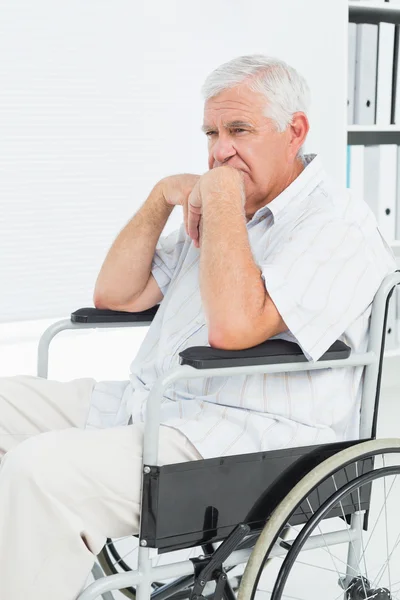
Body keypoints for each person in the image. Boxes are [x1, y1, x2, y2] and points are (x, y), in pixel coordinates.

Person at [0, 54, 396, 599]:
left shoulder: (338, 224)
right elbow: (116, 294)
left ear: (294, 131)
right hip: (150, 407)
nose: (218, 151)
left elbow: (235, 327)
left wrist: (222, 201)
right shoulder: (226, 207)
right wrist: (164, 194)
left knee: (40, 471)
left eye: (239, 130)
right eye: (211, 132)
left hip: (241, 441)